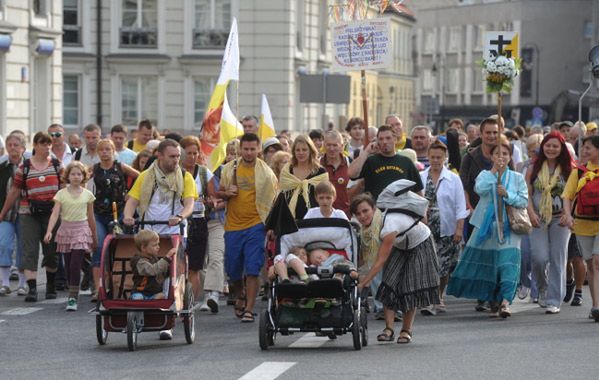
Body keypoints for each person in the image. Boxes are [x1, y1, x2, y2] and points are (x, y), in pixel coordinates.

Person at [447, 137, 528, 318]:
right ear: (492, 157)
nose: (501, 157)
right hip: (487, 226)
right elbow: (480, 189)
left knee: (508, 263)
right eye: (497, 154)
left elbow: (523, 200)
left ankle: (506, 301)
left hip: (510, 227)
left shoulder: (517, 178)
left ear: (510, 157)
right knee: (491, 264)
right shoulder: (485, 174)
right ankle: (492, 298)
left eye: (505, 154)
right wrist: (493, 172)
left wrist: (507, 194)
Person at [123, 139, 196, 340]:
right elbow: (132, 202)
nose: (176, 160)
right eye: (172, 156)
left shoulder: (184, 176)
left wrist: (180, 217)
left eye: (178, 156)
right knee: (146, 269)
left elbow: (189, 204)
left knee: (172, 274)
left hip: (174, 232)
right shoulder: (146, 177)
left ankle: (168, 320)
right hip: (149, 233)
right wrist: (128, 216)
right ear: (160, 156)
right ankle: (142, 306)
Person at [359, 180, 440, 344]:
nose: (362, 216)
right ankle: (388, 329)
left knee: (410, 287)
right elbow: (369, 256)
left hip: (420, 243)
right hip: (401, 243)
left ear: (374, 209)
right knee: (389, 283)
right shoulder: (374, 225)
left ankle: (406, 330)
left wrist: (363, 284)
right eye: (358, 213)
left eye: (366, 211)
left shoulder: (389, 225)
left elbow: (380, 260)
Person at [217, 133, 278, 322]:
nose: (249, 153)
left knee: (252, 268)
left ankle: (250, 309)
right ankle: (240, 292)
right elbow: (217, 193)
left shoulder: (266, 172)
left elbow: (274, 200)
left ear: (258, 149)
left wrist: (271, 226)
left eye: (253, 149)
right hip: (233, 226)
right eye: (246, 149)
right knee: (233, 268)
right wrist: (227, 193)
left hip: (256, 225)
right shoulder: (229, 169)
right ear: (240, 149)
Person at [0, 132, 63, 302]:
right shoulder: (25, 167)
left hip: (52, 213)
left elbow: (65, 190)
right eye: (43, 144)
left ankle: (50, 286)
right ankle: (32, 288)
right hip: (28, 213)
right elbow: (14, 192)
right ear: (35, 146)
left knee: (51, 252)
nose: (47, 147)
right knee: (29, 250)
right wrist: (2, 213)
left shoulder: (57, 165)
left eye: (49, 144)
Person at [525, 132, 574, 314]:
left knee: (557, 258)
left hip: (560, 219)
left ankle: (554, 300)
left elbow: (575, 194)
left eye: (555, 146)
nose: (551, 149)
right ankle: (542, 287)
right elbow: (527, 194)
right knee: (539, 258)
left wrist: (569, 213)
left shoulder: (569, 169)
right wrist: (531, 213)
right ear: (542, 147)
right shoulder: (533, 168)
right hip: (538, 218)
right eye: (548, 145)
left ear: (561, 149)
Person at [419, 141, 469, 315]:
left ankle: (439, 295)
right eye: (432, 157)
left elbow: (460, 206)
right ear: (428, 157)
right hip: (425, 226)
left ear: (445, 158)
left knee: (444, 265)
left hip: (447, 226)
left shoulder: (453, 178)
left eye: (439, 157)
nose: (435, 160)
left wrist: (459, 229)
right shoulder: (421, 176)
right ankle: (429, 299)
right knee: (428, 264)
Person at [43, 162, 97, 311]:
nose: (75, 177)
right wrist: (49, 231)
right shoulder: (61, 194)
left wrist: (94, 237)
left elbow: (91, 217)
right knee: (68, 266)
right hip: (66, 230)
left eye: (79, 174)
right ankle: (83, 278)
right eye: (72, 174)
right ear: (67, 176)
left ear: (83, 176)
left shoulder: (88, 195)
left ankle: (73, 298)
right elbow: (55, 214)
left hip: (82, 229)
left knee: (75, 264)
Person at [91, 139, 139, 300]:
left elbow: (140, 177)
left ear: (113, 151)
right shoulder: (95, 169)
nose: (104, 152)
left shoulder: (120, 166)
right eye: (101, 150)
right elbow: (79, 176)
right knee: (98, 247)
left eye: (107, 149)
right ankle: (98, 288)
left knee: (116, 249)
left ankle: (116, 284)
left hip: (118, 213)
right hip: (98, 213)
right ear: (98, 153)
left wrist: (131, 195)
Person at [562, 135, 599, 321]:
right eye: (583, 147)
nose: (584, 151)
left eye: (588, 148)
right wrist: (568, 215)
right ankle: (595, 305)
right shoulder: (578, 172)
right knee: (591, 265)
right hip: (582, 224)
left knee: (598, 262)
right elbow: (567, 196)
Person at [180, 136, 214, 309]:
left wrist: (209, 201)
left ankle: (189, 306)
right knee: (177, 267)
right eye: (188, 153)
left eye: (195, 153)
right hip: (177, 222)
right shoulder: (175, 172)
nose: (192, 157)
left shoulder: (203, 173)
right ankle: (176, 301)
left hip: (198, 222)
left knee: (194, 266)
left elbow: (214, 196)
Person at [349, 125, 423, 202]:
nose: (384, 142)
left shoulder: (406, 162)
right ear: (377, 141)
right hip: (376, 210)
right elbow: (352, 174)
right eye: (381, 139)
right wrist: (366, 152)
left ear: (395, 139)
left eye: (388, 138)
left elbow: (418, 191)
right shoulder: (370, 161)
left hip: (400, 210)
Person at [278, 135, 328, 219]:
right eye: (297, 150)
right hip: (289, 220)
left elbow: (326, 198)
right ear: (293, 152)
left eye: (304, 150)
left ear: (311, 151)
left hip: (315, 219)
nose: (301, 153)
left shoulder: (320, 172)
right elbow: (282, 198)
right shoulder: (287, 171)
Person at [0, 133, 26, 296]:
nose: (12, 148)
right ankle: (5, 283)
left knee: (24, 247)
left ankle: (23, 284)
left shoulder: (29, 166)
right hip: (5, 214)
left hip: (25, 214)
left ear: (23, 148)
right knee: (4, 245)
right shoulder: (2, 167)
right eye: (10, 145)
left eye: (16, 145)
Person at [130, 230, 176, 300]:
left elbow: (161, 272)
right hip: (140, 292)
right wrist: (167, 258)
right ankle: (146, 303)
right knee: (138, 298)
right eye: (154, 245)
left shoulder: (153, 258)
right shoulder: (139, 261)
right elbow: (152, 270)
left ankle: (151, 302)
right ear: (143, 248)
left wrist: (169, 268)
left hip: (154, 292)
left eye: (158, 244)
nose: (158, 247)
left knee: (162, 296)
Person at [321, 130, 350, 217]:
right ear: (324, 145)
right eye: (328, 145)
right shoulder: (317, 165)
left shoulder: (350, 163)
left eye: (335, 145)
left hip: (346, 216)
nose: (331, 148)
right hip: (322, 216)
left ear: (342, 146)